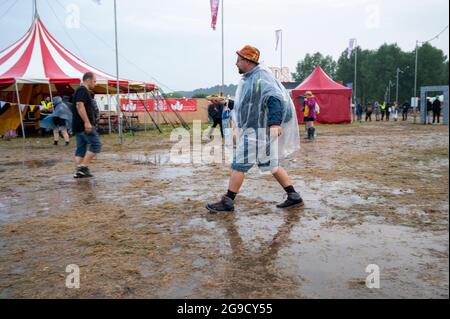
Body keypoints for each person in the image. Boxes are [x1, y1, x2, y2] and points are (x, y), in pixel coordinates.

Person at [206, 45, 302, 213]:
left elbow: (275, 99)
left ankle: (228, 201)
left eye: (238, 60)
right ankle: (293, 196)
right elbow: (248, 107)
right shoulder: (250, 79)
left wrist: (275, 123)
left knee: (239, 165)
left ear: (248, 61)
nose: (236, 64)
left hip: (257, 132)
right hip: (257, 131)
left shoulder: (261, 78)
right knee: (271, 164)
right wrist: (225, 103)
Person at [71, 72, 102, 178]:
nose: (95, 83)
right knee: (96, 145)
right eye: (94, 81)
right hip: (84, 125)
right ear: (88, 80)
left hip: (78, 125)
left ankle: (80, 171)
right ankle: (82, 167)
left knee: (81, 148)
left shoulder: (79, 90)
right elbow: (79, 105)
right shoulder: (82, 90)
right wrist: (87, 122)